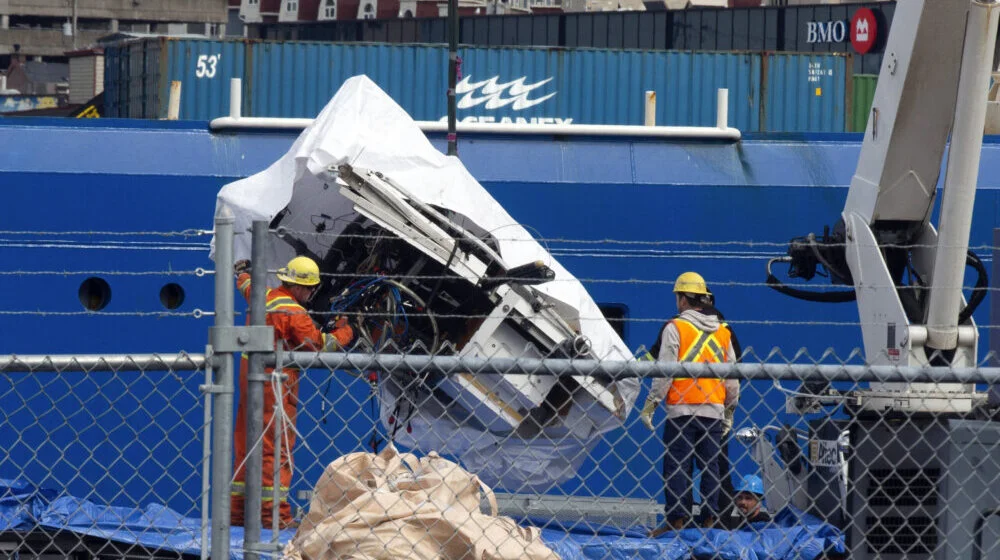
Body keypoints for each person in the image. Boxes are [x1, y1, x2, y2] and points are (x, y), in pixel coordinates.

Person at [229, 256, 355, 529]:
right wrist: (346, 330)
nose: (311, 294)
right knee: (277, 450)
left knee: (246, 447)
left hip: (248, 374)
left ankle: (237, 515)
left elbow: (246, 284)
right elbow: (320, 346)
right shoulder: (293, 312)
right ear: (298, 287)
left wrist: (241, 272)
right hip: (275, 382)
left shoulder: (263, 294)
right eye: (309, 289)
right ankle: (275, 517)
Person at [641, 271, 739, 534]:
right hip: (713, 412)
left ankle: (676, 521)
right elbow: (732, 377)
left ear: (684, 299)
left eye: (678, 297)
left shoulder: (676, 327)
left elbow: (665, 371)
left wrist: (651, 404)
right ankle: (709, 521)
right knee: (711, 468)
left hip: (681, 411)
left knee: (677, 467)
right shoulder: (723, 332)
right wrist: (730, 410)